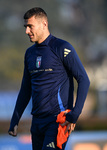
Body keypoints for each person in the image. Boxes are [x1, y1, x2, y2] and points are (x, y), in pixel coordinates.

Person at [8, 7, 90, 150]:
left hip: (57, 121)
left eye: (30, 26)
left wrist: (75, 114)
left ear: (44, 24)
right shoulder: (29, 53)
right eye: (25, 27)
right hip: (37, 123)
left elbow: (84, 79)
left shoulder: (62, 47)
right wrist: (15, 119)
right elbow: (25, 89)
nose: (27, 31)